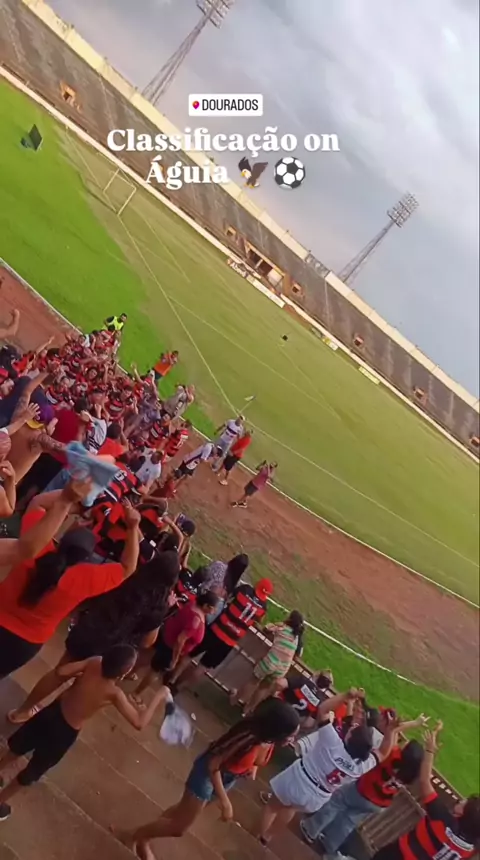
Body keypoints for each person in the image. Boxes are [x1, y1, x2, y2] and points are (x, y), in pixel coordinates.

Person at [0, 645, 170, 822]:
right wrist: (159, 695)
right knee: (33, 769)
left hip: (52, 712)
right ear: (124, 672)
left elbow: (62, 671)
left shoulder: (94, 662)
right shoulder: (114, 693)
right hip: (64, 733)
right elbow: (139, 722)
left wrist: (81, 676)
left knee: (18, 747)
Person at [8, 552, 181, 725]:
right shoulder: (158, 606)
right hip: (110, 648)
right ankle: (45, 720)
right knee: (80, 688)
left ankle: (21, 712)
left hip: (91, 628)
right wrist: (164, 610)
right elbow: (147, 642)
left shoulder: (130, 574)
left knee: (59, 673)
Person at [118, 698, 301, 857]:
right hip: (208, 774)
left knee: (181, 811)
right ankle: (134, 836)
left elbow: (254, 760)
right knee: (179, 828)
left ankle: (143, 838)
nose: (292, 740)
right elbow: (213, 764)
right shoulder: (248, 736)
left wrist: (250, 767)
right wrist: (225, 802)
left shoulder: (268, 740)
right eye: (290, 735)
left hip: (228, 778)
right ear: (277, 730)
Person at [0, 491, 140, 684]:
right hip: (25, 644)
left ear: (64, 538)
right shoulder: (85, 580)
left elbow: (38, 503)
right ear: (86, 558)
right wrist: (133, 527)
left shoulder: (34, 547)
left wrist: (74, 502)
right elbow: (127, 567)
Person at [257, 688, 397, 845]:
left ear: (350, 740)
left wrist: (345, 695)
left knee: (273, 806)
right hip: (318, 797)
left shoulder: (333, 742)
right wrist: (392, 731)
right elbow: (383, 752)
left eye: (352, 731)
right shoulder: (362, 765)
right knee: (290, 809)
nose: (351, 728)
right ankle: (268, 836)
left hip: (299, 780)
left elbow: (323, 710)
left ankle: (260, 837)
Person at [372, 722, 480, 860]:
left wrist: (430, 751)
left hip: (398, 855)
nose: (462, 800)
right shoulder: (472, 848)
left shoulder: (442, 819)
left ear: (462, 813)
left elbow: (425, 781)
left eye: (465, 803)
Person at [300, 740, 425, 855]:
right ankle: (328, 845)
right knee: (348, 821)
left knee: (336, 802)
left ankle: (310, 829)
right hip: (379, 804)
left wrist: (396, 729)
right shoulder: (410, 774)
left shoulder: (393, 755)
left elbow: (389, 740)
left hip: (364, 790)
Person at [168, 578, 273, 693]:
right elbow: (258, 621)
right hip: (229, 642)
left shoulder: (244, 589)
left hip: (216, 629)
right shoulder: (263, 607)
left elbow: (228, 598)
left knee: (190, 654)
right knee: (203, 667)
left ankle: (172, 679)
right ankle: (179, 688)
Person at [130, 590, 219, 704]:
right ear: (205, 606)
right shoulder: (196, 620)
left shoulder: (192, 604)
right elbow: (180, 640)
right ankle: (136, 694)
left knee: (147, 657)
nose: (214, 611)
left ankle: (128, 673)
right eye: (213, 608)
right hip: (170, 647)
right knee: (155, 671)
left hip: (165, 634)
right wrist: (175, 659)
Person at [230, 610, 305, 715]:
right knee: (264, 687)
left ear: (290, 619)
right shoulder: (298, 638)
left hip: (270, 662)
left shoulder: (282, 627)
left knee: (253, 681)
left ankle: (235, 699)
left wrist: (277, 625)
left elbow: (266, 628)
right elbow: (299, 654)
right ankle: (247, 710)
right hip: (282, 668)